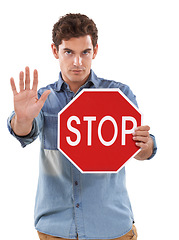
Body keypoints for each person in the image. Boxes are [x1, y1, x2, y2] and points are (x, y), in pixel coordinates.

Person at [7, 13, 157, 240]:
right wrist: (23, 120)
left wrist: (144, 145)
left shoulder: (119, 94)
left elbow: (142, 150)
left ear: (94, 51)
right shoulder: (42, 98)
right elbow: (24, 131)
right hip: (56, 229)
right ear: (55, 51)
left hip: (112, 228)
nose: (77, 62)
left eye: (85, 52)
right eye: (69, 52)